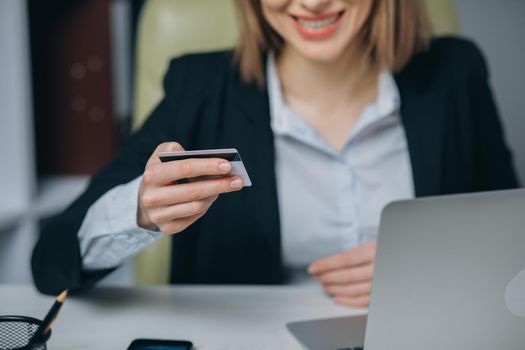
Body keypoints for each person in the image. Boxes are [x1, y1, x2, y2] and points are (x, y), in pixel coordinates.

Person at [32, 0, 518, 307]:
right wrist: (137, 209)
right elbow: (50, 262)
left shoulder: (457, 72)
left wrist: (426, 268)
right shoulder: (200, 87)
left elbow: (509, 237)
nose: (311, 3)